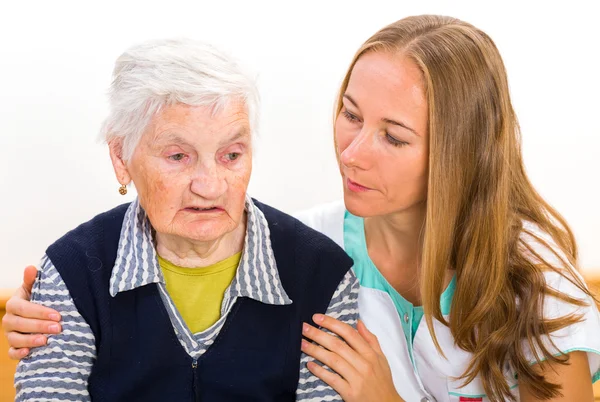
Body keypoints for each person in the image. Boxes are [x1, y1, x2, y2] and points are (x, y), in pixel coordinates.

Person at [5, 15, 600, 402]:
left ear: (459, 153)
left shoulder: (536, 276)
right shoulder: (315, 252)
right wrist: (39, 316)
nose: (353, 152)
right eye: (350, 114)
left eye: (394, 136)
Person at [6, 38, 359, 402]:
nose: (210, 186)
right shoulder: (73, 272)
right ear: (121, 158)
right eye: (178, 156)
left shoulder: (321, 276)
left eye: (231, 155)